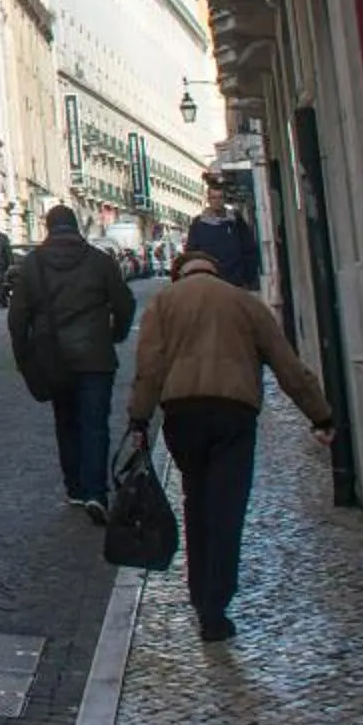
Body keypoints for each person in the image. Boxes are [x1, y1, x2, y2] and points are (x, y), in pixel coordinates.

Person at [124, 248, 335, 643]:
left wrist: (139, 418)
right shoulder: (244, 302)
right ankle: (215, 609)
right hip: (233, 415)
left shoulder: (163, 303)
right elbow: (287, 365)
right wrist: (320, 415)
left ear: (179, 273)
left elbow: (149, 368)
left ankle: (198, 592)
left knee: (196, 503)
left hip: (183, 415)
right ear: (215, 270)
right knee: (227, 510)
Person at [8, 204, 136, 517]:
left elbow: (17, 317)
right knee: (95, 424)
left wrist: (25, 357)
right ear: (76, 226)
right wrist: (115, 334)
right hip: (95, 356)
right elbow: (125, 303)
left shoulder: (33, 264)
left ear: (48, 227)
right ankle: (96, 492)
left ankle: (75, 488)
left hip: (54, 357)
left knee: (66, 422)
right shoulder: (99, 260)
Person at [184, 173, 262, 291]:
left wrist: (247, 278)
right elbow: (191, 255)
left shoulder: (235, 221)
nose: (217, 201)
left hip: (235, 284)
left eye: (220, 197)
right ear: (208, 200)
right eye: (213, 198)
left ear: (224, 199)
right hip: (209, 284)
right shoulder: (198, 224)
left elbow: (249, 250)